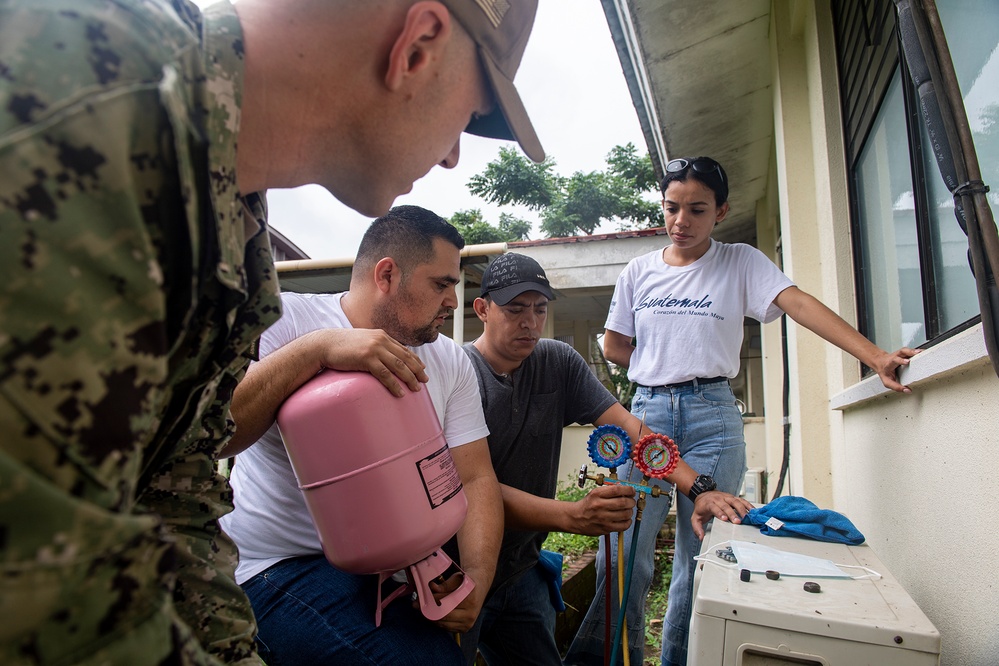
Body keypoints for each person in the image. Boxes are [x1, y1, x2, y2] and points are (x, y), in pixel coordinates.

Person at [0, 0, 541, 662]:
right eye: (470, 113)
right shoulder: (78, 97)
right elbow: (44, 587)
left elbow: (178, 494)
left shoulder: (238, 226)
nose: (454, 155)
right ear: (417, 46)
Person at [566, 156, 920, 666]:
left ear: (721, 212)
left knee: (702, 560)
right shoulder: (638, 271)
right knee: (622, 558)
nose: (681, 221)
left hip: (714, 419)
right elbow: (616, 345)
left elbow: (798, 304)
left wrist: (876, 357)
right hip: (646, 420)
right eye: (671, 208)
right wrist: (662, 360)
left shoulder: (742, 262)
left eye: (697, 209)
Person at [218, 206, 503, 665]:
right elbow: (218, 431)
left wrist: (477, 576)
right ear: (386, 274)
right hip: (276, 566)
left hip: (395, 565)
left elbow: (474, 477)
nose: (452, 300)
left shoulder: (451, 361)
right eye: (441, 284)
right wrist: (318, 349)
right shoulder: (286, 320)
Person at [457, 252, 753, 665]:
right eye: (514, 310)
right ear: (482, 309)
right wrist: (571, 516)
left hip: (520, 569)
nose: (529, 322)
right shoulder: (458, 373)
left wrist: (698, 488)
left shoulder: (556, 362)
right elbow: (469, 486)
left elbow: (634, 432)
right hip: (460, 571)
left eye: (540, 309)